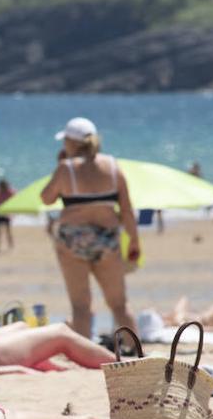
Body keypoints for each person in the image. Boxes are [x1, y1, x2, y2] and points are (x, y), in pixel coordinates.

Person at [40, 117, 140, 338]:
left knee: (81, 307)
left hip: (72, 241)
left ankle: (84, 356)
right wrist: (134, 240)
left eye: (65, 140)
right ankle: (137, 354)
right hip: (106, 240)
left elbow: (46, 198)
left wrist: (59, 168)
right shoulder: (113, 167)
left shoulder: (67, 168)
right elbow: (126, 210)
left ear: (71, 142)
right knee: (119, 305)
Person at [0, 177, 15, 252]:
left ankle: (10, 246)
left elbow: (15, 200)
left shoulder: (10, 192)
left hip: (6, 214)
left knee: (7, 231)